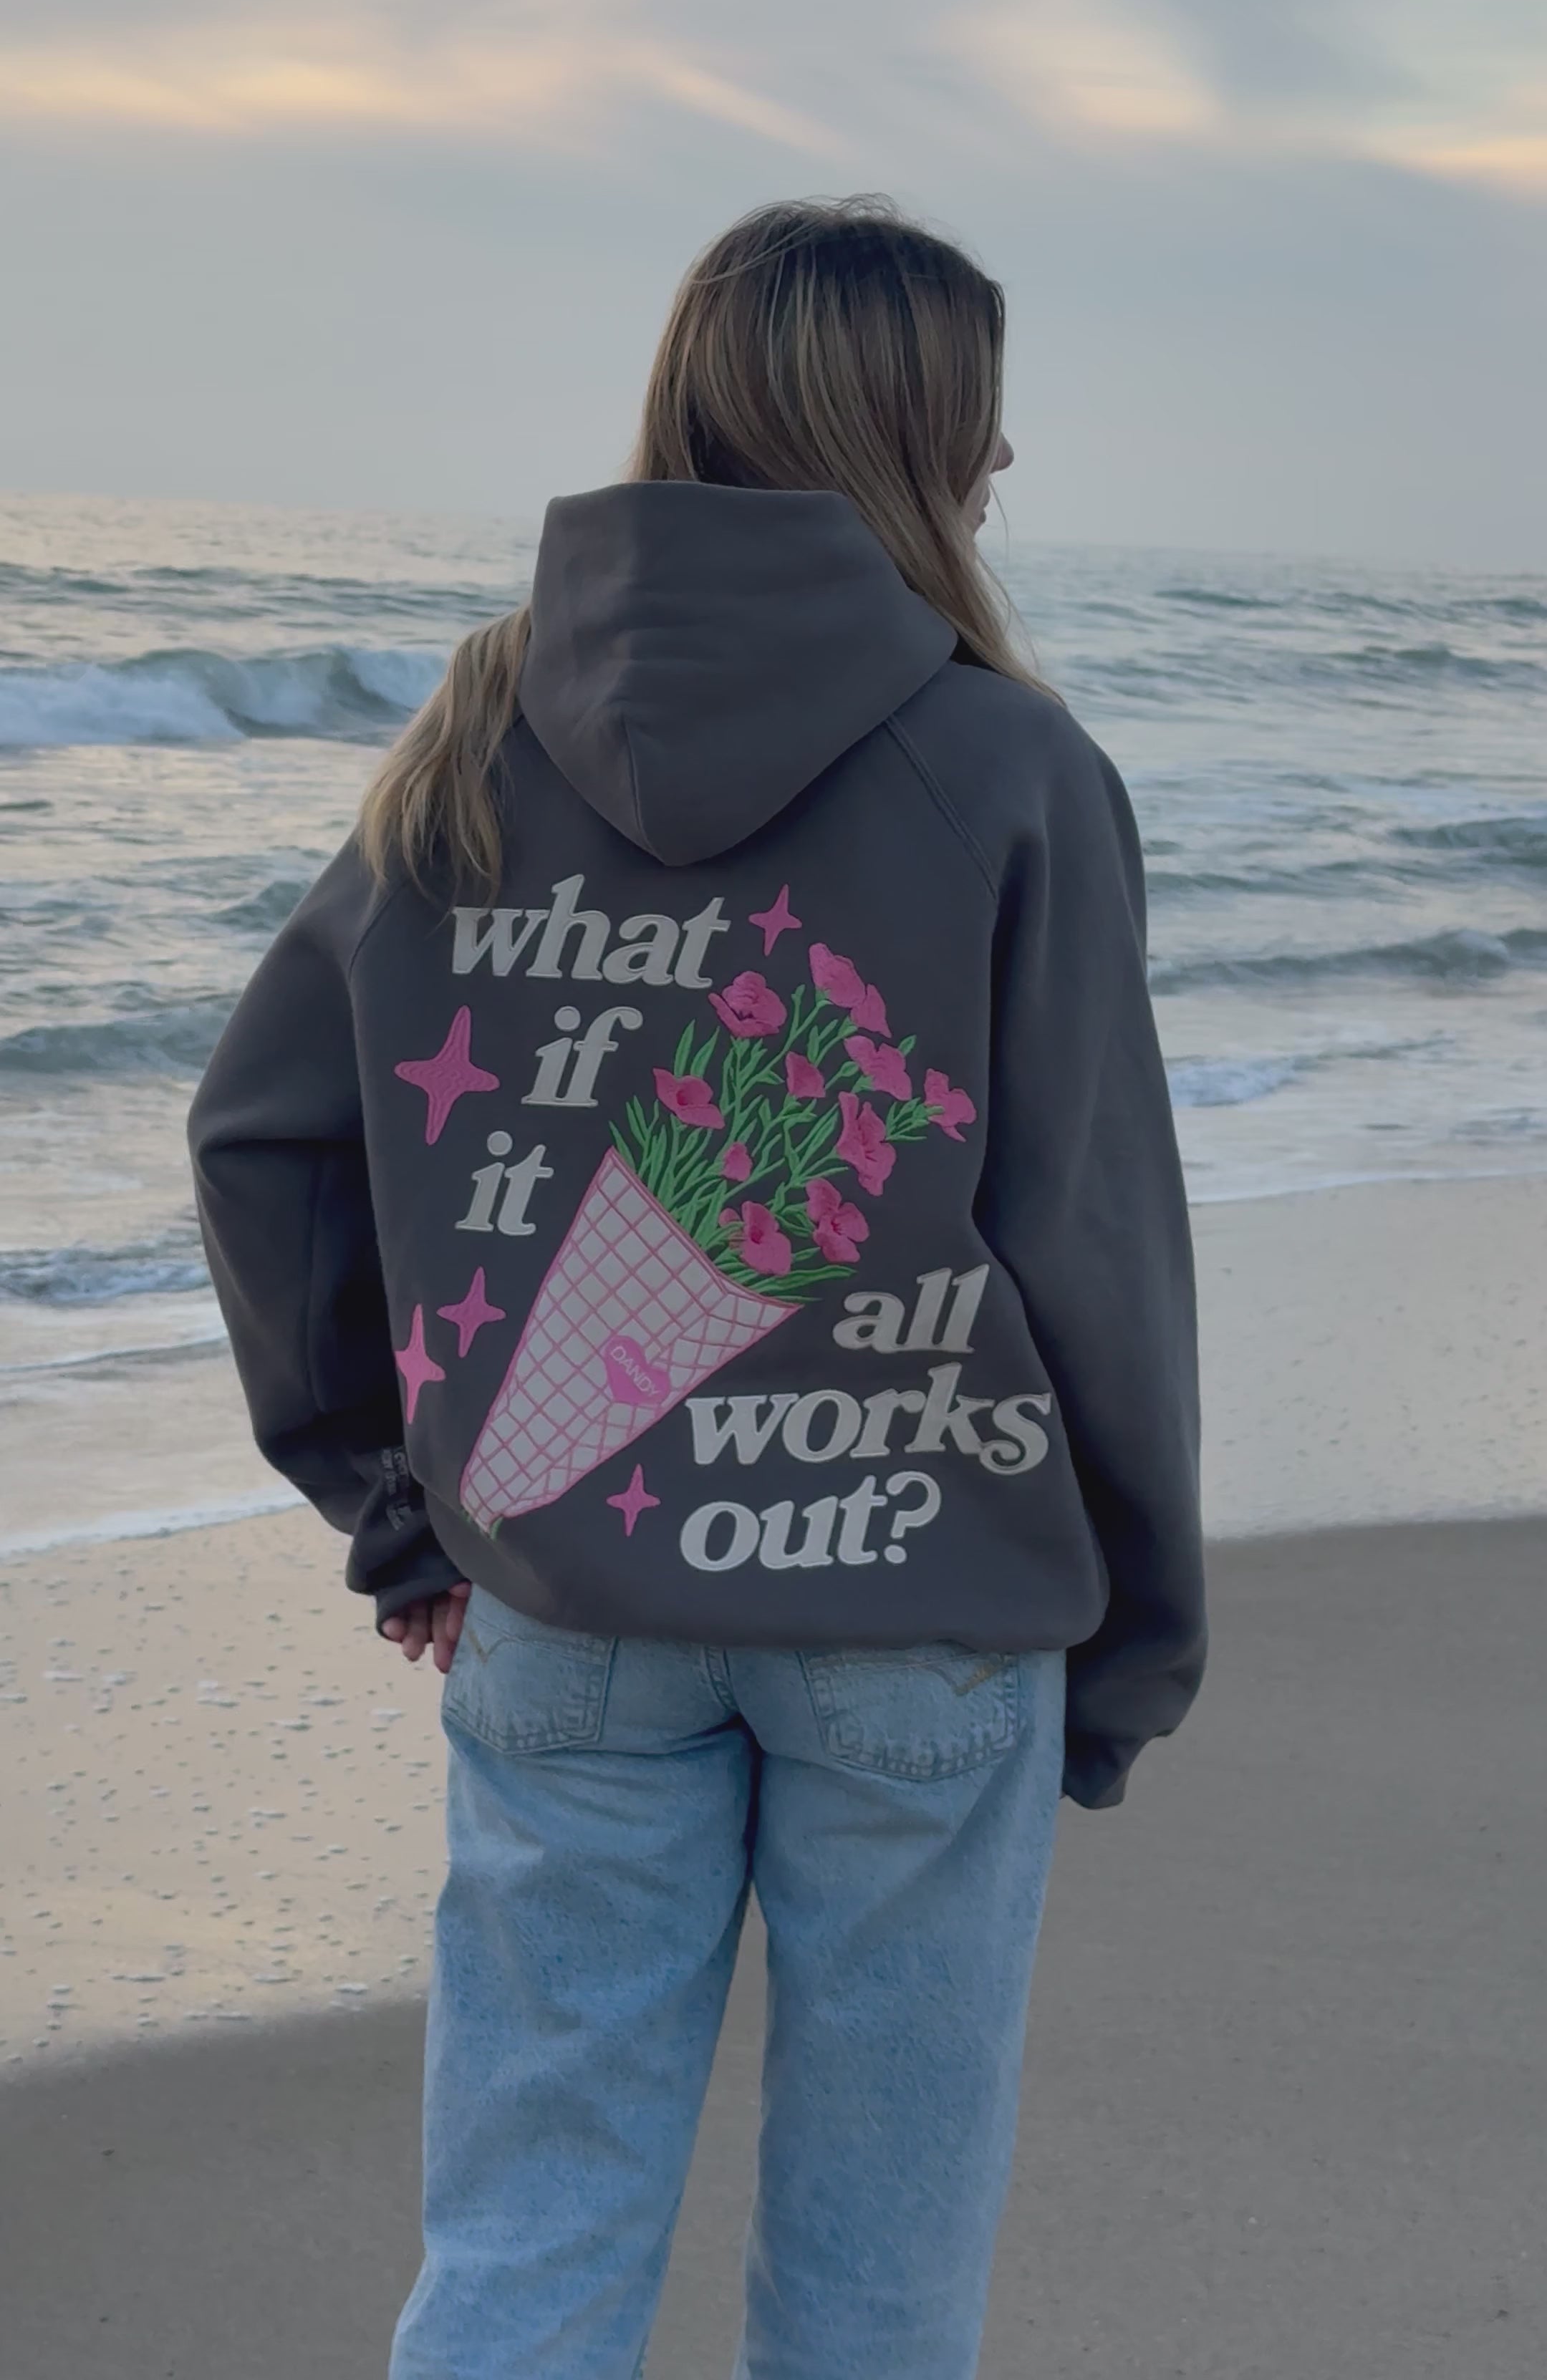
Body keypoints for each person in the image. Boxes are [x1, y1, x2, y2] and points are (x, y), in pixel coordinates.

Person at [188, 195, 1205, 2380]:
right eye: (984, 433)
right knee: (874, 2294)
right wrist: (1127, 1652)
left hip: (567, 1613)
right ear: (925, 447)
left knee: (523, 2256)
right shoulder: (1013, 772)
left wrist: (399, 1495)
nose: (1003, 474)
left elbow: (264, 1143)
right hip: (925, 1622)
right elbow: (1092, 1244)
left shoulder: (481, 728)